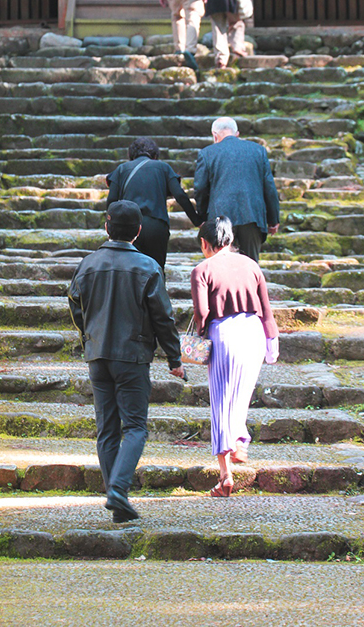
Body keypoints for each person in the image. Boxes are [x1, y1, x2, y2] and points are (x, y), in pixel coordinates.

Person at [68, 200, 184, 523]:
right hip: (132, 356)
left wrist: (89, 337)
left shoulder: (88, 264)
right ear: (138, 231)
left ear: (107, 227)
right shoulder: (148, 267)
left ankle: (116, 498)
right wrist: (173, 357)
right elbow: (163, 317)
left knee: (106, 429)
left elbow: (75, 304)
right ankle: (118, 490)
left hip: (97, 355)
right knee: (134, 427)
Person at [190, 216, 279, 497]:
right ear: (229, 239)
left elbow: (202, 313)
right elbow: (266, 308)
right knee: (241, 396)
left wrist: (200, 336)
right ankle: (240, 440)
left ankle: (225, 475)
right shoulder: (251, 265)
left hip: (223, 335)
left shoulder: (202, 270)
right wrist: (272, 340)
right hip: (253, 333)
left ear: (205, 243)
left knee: (221, 402)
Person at [106, 136, 202, 270]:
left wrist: (111, 226)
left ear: (131, 154)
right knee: (156, 269)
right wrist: (196, 220)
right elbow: (180, 195)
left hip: (128, 225)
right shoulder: (163, 168)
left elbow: (111, 200)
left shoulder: (122, 169)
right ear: (155, 155)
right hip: (156, 225)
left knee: (128, 269)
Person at [194, 116, 280, 262]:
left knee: (221, 262)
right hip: (251, 215)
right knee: (250, 264)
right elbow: (269, 187)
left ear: (214, 135)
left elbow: (200, 189)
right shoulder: (258, 151)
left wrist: (202, 218)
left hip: (220, 218)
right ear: (237, 134)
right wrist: (273, 219)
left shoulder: (207, 153)